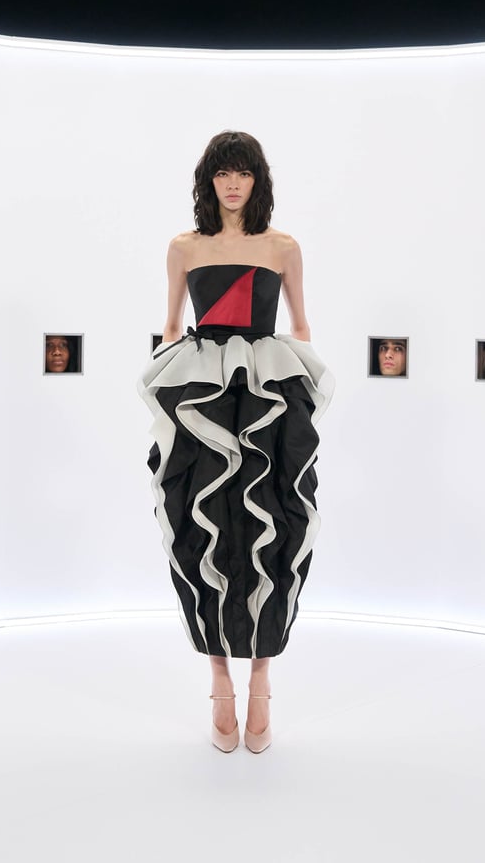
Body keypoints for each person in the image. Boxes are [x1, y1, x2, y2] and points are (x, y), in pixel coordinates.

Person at [138, 131, 334, 754]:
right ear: (209, 180)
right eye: (222, 172)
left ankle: (262, 681)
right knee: (203, 522)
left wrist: (304, 404)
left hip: (267, 392)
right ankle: (220, 680)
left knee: (275, 519)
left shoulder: (282, 247)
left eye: (242, 172)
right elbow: (171, 327)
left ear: (257, 180)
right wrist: (166, 403)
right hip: (203, 395)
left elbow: (300, 327)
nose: (232, 183)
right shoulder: (185, 247)